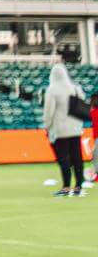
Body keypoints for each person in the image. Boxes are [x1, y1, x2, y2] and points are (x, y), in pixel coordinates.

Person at [44, 61, 88, 197]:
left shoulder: (52, 90)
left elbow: (49, 111)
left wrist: (47, 126)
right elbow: (83, 104)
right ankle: (79, 186)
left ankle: (66, 187)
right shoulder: (75, 88)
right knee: (77, 157)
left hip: (60, 130)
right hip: (75, 128)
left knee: (64, 159)